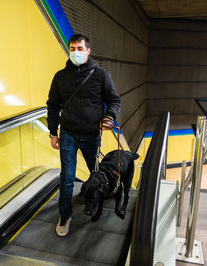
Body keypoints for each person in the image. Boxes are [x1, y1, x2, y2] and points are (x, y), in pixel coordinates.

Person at [46, 34, 121, 237]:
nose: (76, 52)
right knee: (67, 178)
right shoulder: (60, 77)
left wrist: (110, 116)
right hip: (68, 134)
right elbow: (52, 106)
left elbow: (114, 100)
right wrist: (53, 132)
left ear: (88, 51)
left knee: (96, 174)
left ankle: (99, 200)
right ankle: (65, 215)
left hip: (91, 135)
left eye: (80, 49)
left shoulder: (101, 75)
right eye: (72, 49)